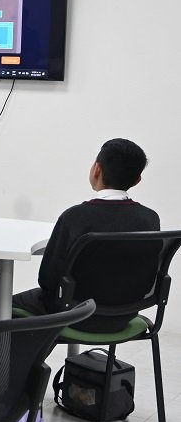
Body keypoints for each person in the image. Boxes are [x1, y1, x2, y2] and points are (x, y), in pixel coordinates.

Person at [13, 138, 160, 330]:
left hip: (74, 313)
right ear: (137, 180)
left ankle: (26, 361)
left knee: (11, 304)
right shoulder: (150, 219)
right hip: (126, 314)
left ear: (96, 170)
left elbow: (48, 279)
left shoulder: (75, 217)